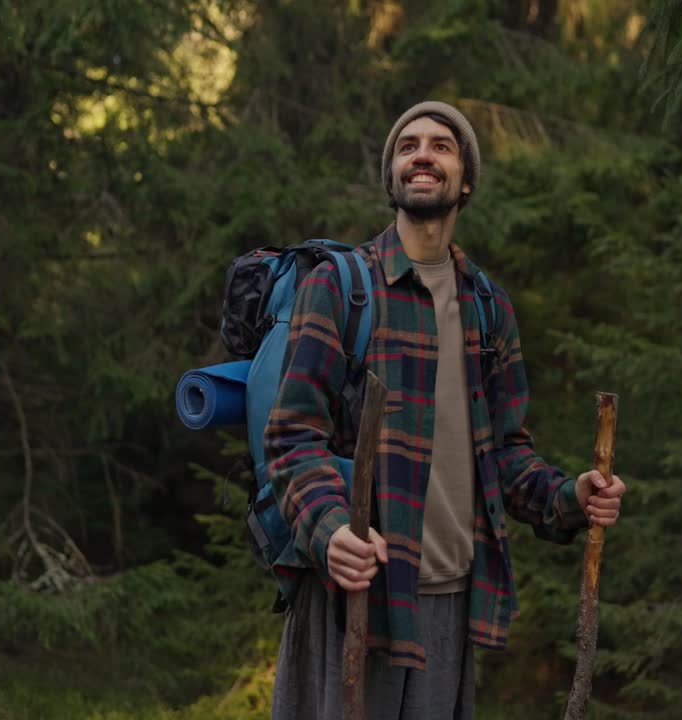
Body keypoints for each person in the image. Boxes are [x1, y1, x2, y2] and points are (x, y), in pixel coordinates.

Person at [265, 100, 626, 720]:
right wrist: (330, 534)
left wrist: (573, 496)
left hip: (450, 608)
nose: (422, 155)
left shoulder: (489, 309)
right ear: (392, 178)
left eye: (442, 145)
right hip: (354, 599)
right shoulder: (341, 288)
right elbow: (292, 436)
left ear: (465, 180)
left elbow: (506, 456)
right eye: (407, 147)